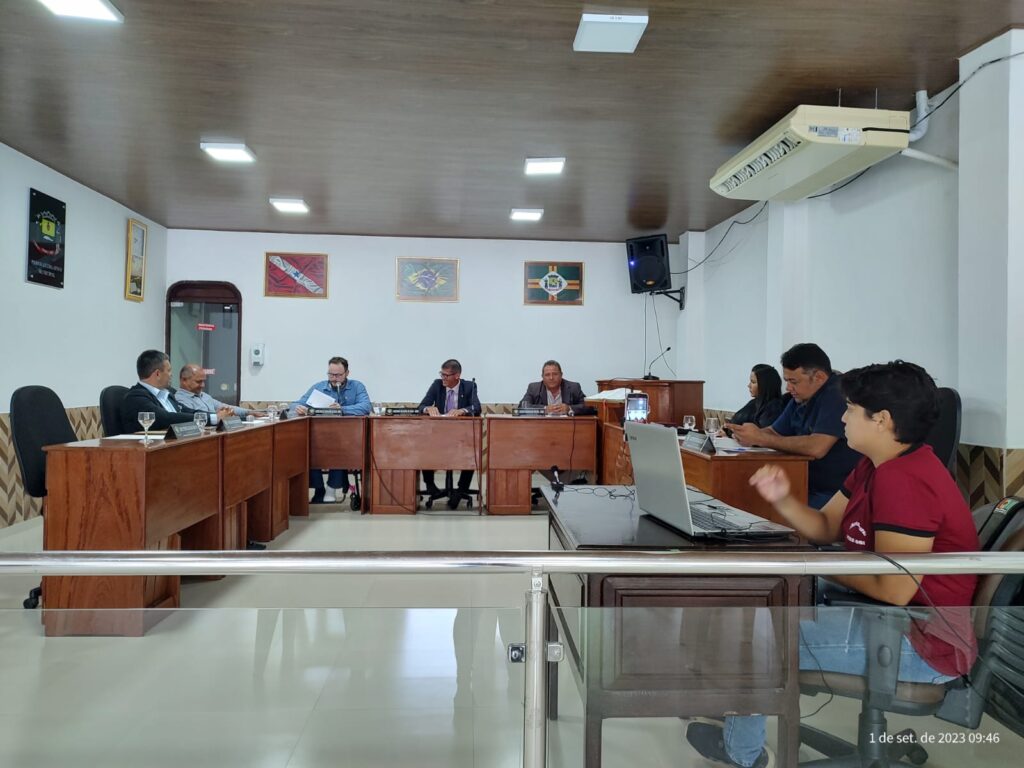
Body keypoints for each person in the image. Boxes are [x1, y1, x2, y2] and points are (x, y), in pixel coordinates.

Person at [686, 361, 980, 768]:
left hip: (918, 642)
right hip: (888, 620)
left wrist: (814, 564)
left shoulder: (907, 479)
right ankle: (738, 707)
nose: (842, 418)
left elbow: (895, 588)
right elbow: (825, 527)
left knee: (756, 636)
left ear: (881, 420)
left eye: (851, 409)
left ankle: (743, 754)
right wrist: (782, 499)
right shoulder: (874, 464)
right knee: (752, 607)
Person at [728, 343, 860, 508]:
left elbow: (817, 447)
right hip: (802, 483)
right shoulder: (800, 396)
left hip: (834, 493)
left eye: (793, 381)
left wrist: (761, 438)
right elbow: (774, 432)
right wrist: (748, 435)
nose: (788, 388)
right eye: (787, 381)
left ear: (819, 377)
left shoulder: (836, 394)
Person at [291, 356, 371, 503]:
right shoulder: (319, 387)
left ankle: (331, 488)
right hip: (320, 436)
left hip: (347, 437)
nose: (334, 378)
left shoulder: (357, 386)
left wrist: (343, 409)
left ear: (347, 373)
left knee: (338, 447)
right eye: (331, 374)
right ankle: (318, 488)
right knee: (307, 448)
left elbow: (366, 406)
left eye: (338, 375)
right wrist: (299, 408)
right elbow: (295, 404)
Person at [417, 359, 481, 509]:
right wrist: (427, 409)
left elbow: (476, 407)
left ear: (457, 375)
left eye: (446, 375)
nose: (443, 378)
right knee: (424, 447)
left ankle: (461, 490)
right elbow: (422, 405)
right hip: (439, 434)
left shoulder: (469, 386)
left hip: (461, 436)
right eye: (442, 374)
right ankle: (430, 485)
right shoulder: (437, 384)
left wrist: (462, 410)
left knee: (471, 450)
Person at [120, 349, 196, 434]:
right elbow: (165, 418)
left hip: (177, 439)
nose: (171, 374)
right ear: (158, 374)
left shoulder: (169, 393)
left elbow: (186, 411)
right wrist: (199, 419)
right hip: (152, 441)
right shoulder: (135, 397)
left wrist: (207, 416)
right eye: (169, 370)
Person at [174, 364, 250, 422]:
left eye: (203, 381)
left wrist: (249, 412)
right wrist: (217, 415)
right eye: (198, 382)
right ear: (184, 380)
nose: (203, 385)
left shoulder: (204, 396)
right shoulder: (179, 400)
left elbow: (224, 406)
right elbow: (193, 418)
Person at [519, 360, 595, 416]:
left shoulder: (574, 387)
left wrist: (569, 408)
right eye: (547, 375)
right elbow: (522, 407)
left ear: (561, 375)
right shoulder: (533, 388)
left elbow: (589, 407)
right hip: (541, 427)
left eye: (555, 374)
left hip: (567, 427)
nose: (551, 378)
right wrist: (544, 409)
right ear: (542, 377)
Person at [727, 364, 785, 429]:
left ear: (764, 385)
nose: (749, 385)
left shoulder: (774, 408)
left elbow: (762, 432)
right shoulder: (753, 403)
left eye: (753, 382)